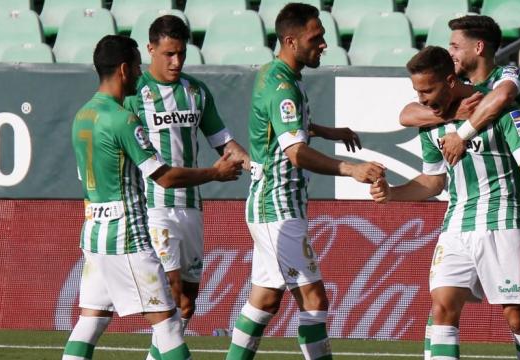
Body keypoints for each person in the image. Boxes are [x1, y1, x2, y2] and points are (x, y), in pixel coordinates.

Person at [399, 15, 520, 360]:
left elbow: (499, 99)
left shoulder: (508, 78)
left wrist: (462, 133)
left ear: (479, 47)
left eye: (456, 45)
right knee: (448, 305)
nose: (451, 51)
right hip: (470, 212)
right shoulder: (451, 93)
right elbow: (407, 114)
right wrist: (449, 117)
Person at [64, 35, 242, 360]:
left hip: (93, 233)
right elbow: (164, 176)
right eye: (135, 66)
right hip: (126, 237)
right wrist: (214, 173)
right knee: (169, 324)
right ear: (123, 69)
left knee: (90, 322)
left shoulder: (82, 117)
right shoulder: (123, 119)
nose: (139, 72)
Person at [225, 4, 385, 360]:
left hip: (273, 203)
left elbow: (286, 126)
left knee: (265, 299)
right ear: (291, 41)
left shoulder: (274, 74)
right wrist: (351, 169)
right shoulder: (284, 86)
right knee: (314, 299)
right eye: (316, 38)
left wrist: (328, 131)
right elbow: (296, 152)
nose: (324, 44)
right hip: (277, 206)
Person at [373, 46, 520, 359]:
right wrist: (392, 193)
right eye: (417, 91)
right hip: (456, 225)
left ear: (451, 80)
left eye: (428, 90)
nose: (422, 99)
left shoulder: (497, 107)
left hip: (503, 219)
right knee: (442, 307)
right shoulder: (431, 122)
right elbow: (433, 181)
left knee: (516, 316)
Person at [124, 14, 250, 341]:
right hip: (154, 206)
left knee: (188, 302)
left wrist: (253, 165)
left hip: (191, 207)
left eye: (181, 53)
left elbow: (222, 140)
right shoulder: (134, 93)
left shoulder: (196, 91)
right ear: (150, 49)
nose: (176, 61)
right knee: (171, 292)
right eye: (169, 54)